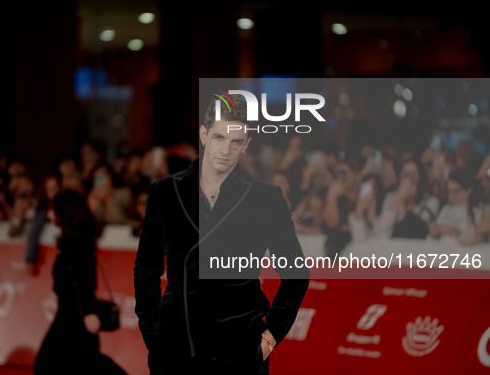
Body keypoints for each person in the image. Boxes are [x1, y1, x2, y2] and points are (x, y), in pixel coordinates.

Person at [133, 93, 309, 374]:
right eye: (219, 137)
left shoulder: (266, 198)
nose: (226, 150)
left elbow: (296, 274)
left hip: (240, 351)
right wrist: (152, 331)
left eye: (236, 141)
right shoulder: (165, 191)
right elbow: (146, 268)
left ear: (246, 145)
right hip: (175, 348)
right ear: (204, 135)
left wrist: (269, 338)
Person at [33, 189, 126, 375]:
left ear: (63, 212)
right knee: (78, 363)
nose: (49, 214)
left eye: (53, 209)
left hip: (74, 312)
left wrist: (88, 312)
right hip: (71, 311)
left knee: (61, 363)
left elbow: (81, 279)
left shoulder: (75, 242)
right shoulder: (73, 239)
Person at [379, 157, 440, 239]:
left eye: (414, 173)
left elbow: (417, 231)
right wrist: (398, 198)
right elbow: (384, 227)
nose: (410, 178)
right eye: (406, 174)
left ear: (420, 176)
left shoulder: (431, 201)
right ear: (400, 178)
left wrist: (404, 205)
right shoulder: (391, 197)